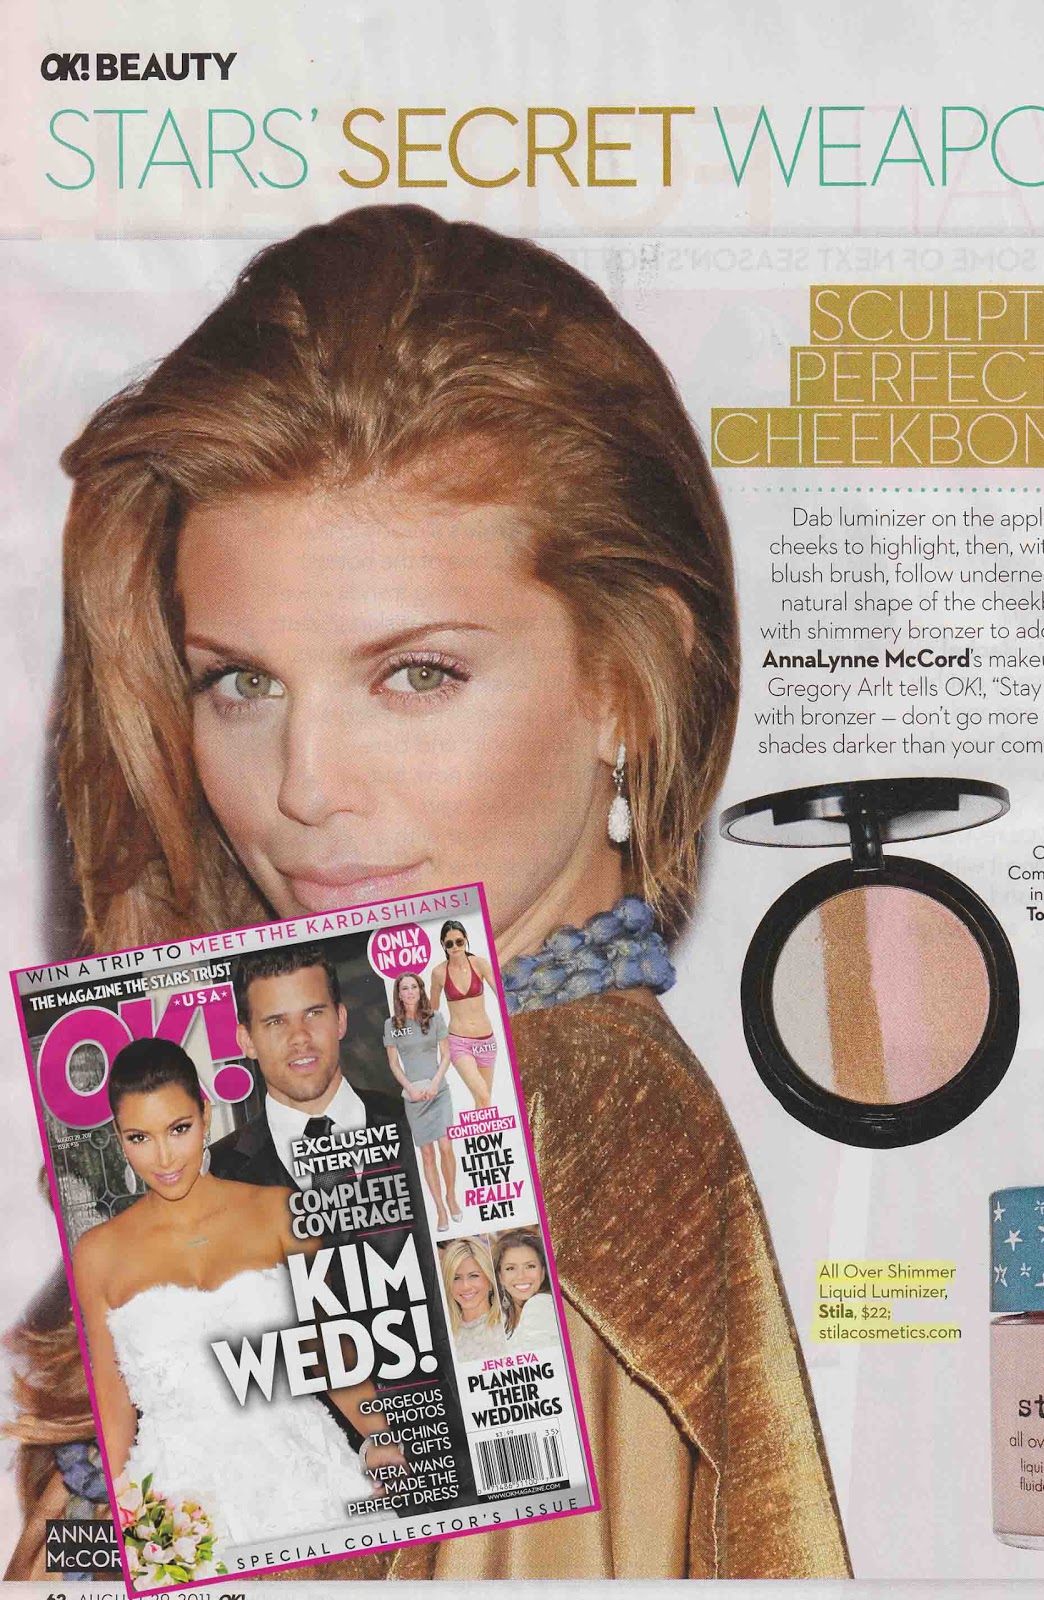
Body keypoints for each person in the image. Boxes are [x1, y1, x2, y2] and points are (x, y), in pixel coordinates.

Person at [12, 205, 850, 1580]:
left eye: (416, 674)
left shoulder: (532, 1125)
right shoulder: (395, 1100)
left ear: (625, 684)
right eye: (241, 681)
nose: (303, 785)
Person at [70, 1039, 401, 1559]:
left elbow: (330, 1353)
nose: (163, 1157)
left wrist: (385, 1444)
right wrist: (118, 1518)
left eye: (178, 1129)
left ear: (205, 1114)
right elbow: (114, 1410)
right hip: (176, 1503)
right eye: (139, 1137)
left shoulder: (279, 1212)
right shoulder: (97, 1255)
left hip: (305, 1476)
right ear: (118, 1137)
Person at [210, 944, 401, 1187]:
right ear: (247, 1041)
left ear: (340, 1020)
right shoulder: (215, 1175)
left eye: (313, 1014)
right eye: (276, 1022)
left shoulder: (414, 1123)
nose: (300, 1037)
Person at [383, 973, 459, 1232]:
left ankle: (451, 1196)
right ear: (398, 994)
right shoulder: (392, 1025)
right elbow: (394, 1064)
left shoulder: (435, 1017)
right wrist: (410, 1089)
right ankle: (440, 1209)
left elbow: (446, 1055)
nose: (410, 992)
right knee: (427, 1153)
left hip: (439, 1091)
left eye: (413, 987)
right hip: (414, 1096)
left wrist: (436, 1083)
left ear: (420, 989)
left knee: (446, 1146)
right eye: (404, 988)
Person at [429, 923, 497, 1103]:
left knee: (483, 1100)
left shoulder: (480, 964)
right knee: (483, 1094)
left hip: (486, 1040)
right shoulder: (439, 973)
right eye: (449, 944)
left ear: (465, 939)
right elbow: (433, 1011)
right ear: (443, 944)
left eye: (459, 942)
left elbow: (501, 994)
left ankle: (486, 1124)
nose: (455, 947)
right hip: (459, 1041)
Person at [437, 1238, 508, 1364]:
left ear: (490, 1280)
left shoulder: (511, 1327)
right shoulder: (443, 1335)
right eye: (456, 1278)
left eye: (474, 1276)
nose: (465, 1286)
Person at [493, 1229, 560, 1349]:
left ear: (543, 1272)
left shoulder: (540, 1304)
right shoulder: (503, 1319)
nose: (521, 1276)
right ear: (500, 1277)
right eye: (510, 1268)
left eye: (530, 1266)